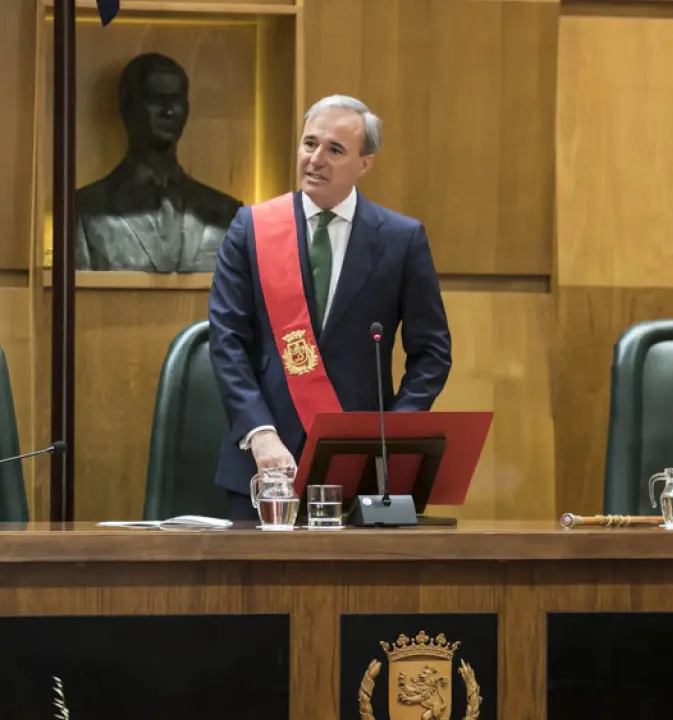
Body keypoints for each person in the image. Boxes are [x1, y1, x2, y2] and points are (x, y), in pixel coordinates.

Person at [207, 95, 452, 521]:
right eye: (310, 144)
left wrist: (393, 436)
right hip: (264, 463)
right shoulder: (252, 228)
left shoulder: (401, 239)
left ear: (365, 163)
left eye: (335, 150)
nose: (316, 159)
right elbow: (227, 340)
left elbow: (432, 351)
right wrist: (259, 433)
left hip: (362, 467)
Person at [75, 52, 243, 273]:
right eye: (155, 99)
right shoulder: (84, 210)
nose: (168, 110)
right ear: (126, 106)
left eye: (176, 99)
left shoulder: (228, 214)